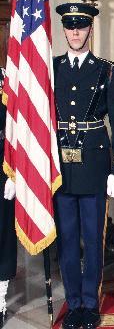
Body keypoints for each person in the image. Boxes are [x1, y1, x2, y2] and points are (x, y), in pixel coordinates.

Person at [52, 2, 114, 329]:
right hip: (61, 167)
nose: (75, 32)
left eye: (80, 27)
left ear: (90, 30)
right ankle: (74, 302)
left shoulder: (106, 70)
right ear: (64, 30)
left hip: (95, 163)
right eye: (70, 27)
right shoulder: (50, 68)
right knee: (67, 238)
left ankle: (90, 303)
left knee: (93, 237)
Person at [0, 68, 17, 328]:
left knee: (2, 233)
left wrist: (15, 173)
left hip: (2, 168)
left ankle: (0, 299)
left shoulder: (7, 78)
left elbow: (18, 128)